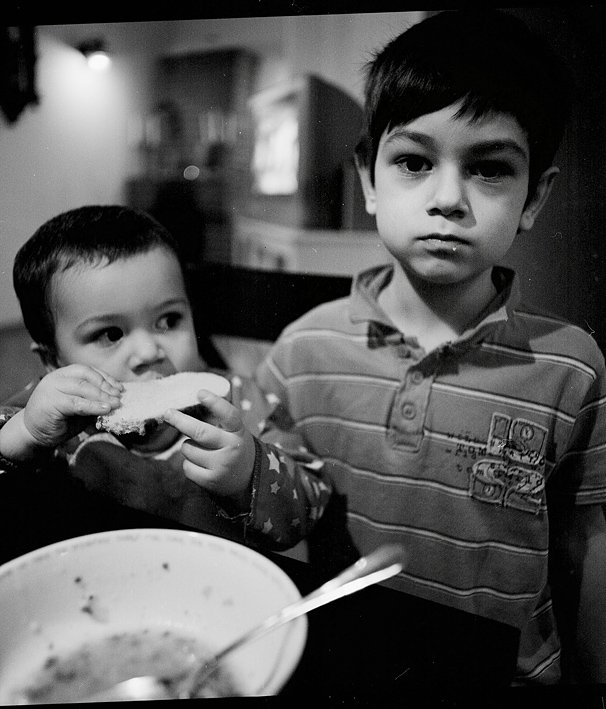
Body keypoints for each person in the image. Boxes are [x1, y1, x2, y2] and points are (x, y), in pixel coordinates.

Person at [249, 9, 605, 686]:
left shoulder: (571, 366)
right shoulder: (303, 348)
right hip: (346, 668)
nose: (448, 199)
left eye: (489, 169)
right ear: (369, 179)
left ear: (534, 197)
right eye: (414, 162)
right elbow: (274, 508)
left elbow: (583, 541)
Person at [0, 205, 330, 549]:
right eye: (111, 334)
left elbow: (314, 499)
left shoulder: (239, 404)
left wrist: (249, 471)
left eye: (169, 320)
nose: (148, 352)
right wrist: (23, 435)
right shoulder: (44, 416)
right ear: (53, 361)